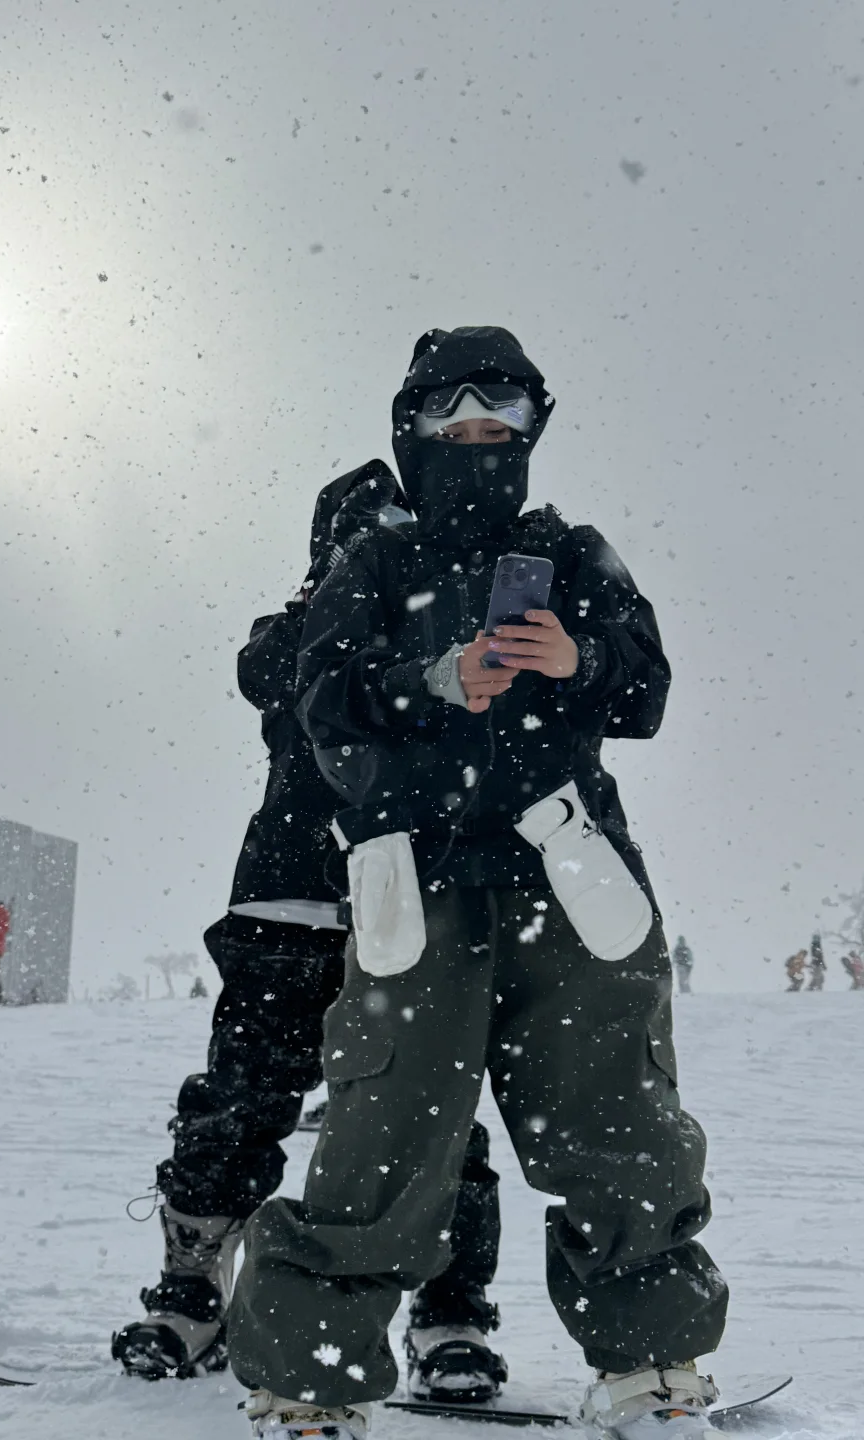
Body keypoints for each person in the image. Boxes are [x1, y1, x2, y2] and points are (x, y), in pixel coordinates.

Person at [227, 326, 728, 1440]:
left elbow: (644, 695)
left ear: (531, 426)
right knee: (388, 1125)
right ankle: (309, 1383)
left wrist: (577, 661)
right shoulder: (375, 563)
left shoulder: (575, 553)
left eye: (499, 414)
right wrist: (433, 681)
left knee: (617, 1119)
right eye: (450, 414)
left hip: (572, 871)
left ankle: (653, 1369)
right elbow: (321, 707)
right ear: (412, 427)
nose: (475, 431)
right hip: (421, 876)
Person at [112, 466, 507, 1403]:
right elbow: (269, 677)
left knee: (430, 1114)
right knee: (238, 1102)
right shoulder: (296, 631)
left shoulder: (444, 632)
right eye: (361, 532)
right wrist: (340, 587)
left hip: (412, 901)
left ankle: (450, 1313)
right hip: (287, 896)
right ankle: (192, 1290)